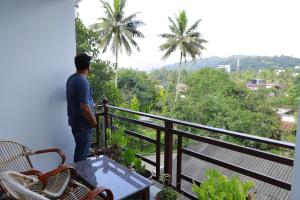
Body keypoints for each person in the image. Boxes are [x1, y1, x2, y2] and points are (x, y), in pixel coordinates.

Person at [66, 53, 97, 162]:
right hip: (83, 125)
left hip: (75, 122)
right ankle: (78, 178)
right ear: (88, 66)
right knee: (81, 156)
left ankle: (78, 176)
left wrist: (92, 104)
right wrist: (94, 122)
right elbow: (84, 107)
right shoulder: (83, 81)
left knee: (80, 150)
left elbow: (77, 100)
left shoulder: (71, 79)